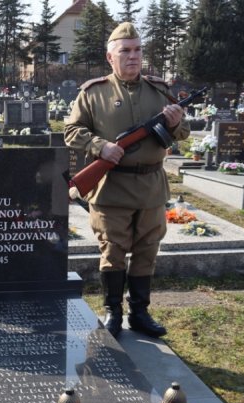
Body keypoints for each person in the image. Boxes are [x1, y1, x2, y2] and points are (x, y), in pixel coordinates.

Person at [65, 22, 188, 339]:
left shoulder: (159, 90)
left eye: (137, 50)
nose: (133, 56)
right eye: (125, 51)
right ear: (110, 57)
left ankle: (140, 313)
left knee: (147, 250)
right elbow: (72, 131)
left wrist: (176, 124)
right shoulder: (94, 92)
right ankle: (113, 312)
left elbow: (182, 134)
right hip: (111, 187)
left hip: (151, 187)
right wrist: (100, 147)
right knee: (113, 251)